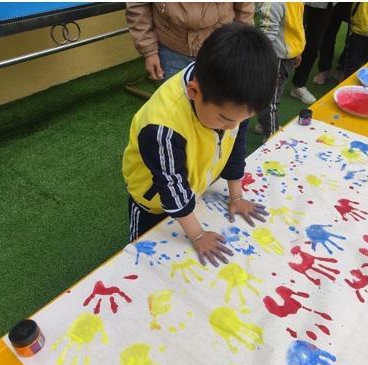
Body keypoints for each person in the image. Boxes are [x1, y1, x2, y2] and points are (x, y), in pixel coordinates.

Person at [122, 24, 278, 267]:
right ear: (194, 91)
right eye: (225, 120)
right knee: (142, 258)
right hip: (151, 204)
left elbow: (236, 147)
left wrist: (236, 196)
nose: (233, 126)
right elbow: (171, 187)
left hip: (193, 187)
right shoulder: (162, 126)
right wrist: (197, 235)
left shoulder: (231, 104)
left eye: (241, 120)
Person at [125, 2, 255, 81]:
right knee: (174, 109)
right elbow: (138, 5)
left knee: (219, 105)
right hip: (170, 47)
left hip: (220, 46)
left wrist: (241, 44)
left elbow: (244, 7)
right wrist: (149, 51)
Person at [255, 2, 306, 137]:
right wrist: (267, 61)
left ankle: (264, 124)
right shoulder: (275, 4)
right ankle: (271, 133)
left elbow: (297, 26)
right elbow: (266, 36)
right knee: (271, 100)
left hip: (287, 55)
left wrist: (297, 51)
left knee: (274, 94)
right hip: (275, 58)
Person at [289, 2, 337, 104]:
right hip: (300, 4)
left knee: (313, 45)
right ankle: (270, 81)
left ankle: (299, 85)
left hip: (325, 6)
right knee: (289, 36)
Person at [312, 2, 352, 84]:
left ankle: (342, 67)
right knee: (328, 32)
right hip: (334, 4)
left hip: (355, 4)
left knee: (352, 34)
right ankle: (324, 69)